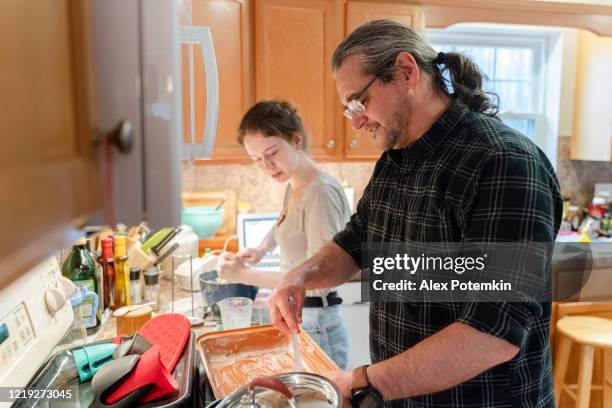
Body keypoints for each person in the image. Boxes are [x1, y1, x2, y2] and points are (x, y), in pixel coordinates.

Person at [267, 20, 563, 407]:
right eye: (349, 109)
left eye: (359, 101)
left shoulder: (503, 162)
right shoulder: (396, 159)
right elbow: (356, 241)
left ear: (405, 71)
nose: (356, 121)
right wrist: (300, 276)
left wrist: (361, 382)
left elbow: (492, 333)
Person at [217, 100, 351, 369]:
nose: (266, 165)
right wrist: (260, 250)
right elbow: (285, 223)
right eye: (257, 160)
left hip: (317, 323)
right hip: (302, 318)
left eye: (272, 153)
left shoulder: (320, 193)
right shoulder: (295, 184)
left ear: (296, 140)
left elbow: (322, 277)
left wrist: (241, 275)